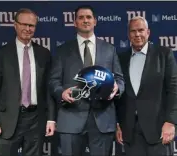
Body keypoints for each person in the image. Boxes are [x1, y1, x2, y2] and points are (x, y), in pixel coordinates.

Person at [49, 5, 124, 156]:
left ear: (95, 21)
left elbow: (119, 79)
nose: (85, 21)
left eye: (89, 17)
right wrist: (62, 92)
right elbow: (53, 81)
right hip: (71, 119)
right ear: (75, 22)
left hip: (103, 119)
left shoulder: (110, 49)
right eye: (81, 17)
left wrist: (117, 88)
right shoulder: (63, 50)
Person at [0, 8, 55, 156]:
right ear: (15, 25)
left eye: (31, 25)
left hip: (36, 119)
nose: (27, 29)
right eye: (23, 24)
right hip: (7, 121)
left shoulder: (44, 54)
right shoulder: (1, 54)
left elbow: (48, 90)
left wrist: (51, 119)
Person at [116, 16, 177, 156]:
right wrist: (118, 124)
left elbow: (174, 90)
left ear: (148, 32)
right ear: (128, 34)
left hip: (159, 129)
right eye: (133, 31)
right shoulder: (120, 59)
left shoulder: (164, 54)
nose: (137, 34)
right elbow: (118, 95)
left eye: (141, 30)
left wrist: (171, 121)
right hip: (130, 131)